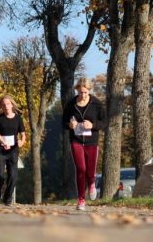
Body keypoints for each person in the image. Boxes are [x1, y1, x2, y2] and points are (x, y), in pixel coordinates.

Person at [62, 78, 106, 211]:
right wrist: (70, 125)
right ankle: (81, 199)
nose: (83, 95)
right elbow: (64, 122)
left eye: (85, 92)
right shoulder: (71, 104)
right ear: (77, 90)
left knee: (90, 171)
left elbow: (104, 122)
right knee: (81, 169)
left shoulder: (96, 104)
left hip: (91, 141)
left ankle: (91, 183)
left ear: (89, 91)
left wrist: (92, 125)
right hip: (76, 140)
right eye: (80, 92)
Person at [0, 95, 26, 206]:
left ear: (12, 105)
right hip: (0, 150)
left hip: (13, 150)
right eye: (3, 104)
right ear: (1, 106)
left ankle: (8, 197)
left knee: (13, 176)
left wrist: (22, 141)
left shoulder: (18, 118)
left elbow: (23, 134)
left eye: (8, 104)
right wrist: (3, 142)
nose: (6, 106)